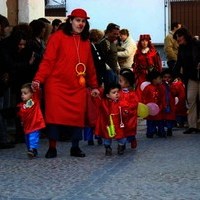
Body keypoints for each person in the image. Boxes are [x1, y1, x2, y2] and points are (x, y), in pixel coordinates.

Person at [32, 8, 99, 158]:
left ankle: (75, 147)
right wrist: (38, 79)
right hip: (56, 85)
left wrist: (94, 85)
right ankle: (52, 147)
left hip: (77, 86)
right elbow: (47, 61)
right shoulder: (56, 37)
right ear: (70, 21)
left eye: (83, 21)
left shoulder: (86, 42)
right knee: (53, 116)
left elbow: (90, 66)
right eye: (77, 20)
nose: (80, 24)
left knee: (77, 116)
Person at [173, 27, 200, 134]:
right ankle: (193, 126)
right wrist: (174, 74)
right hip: (191, 77)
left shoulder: (197, 43)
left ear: (185, 35)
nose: (178, 39)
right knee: (190, 99)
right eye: (176, 37)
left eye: (180, 36)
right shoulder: (181, 48)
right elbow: (179, 62)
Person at [95, 83, 127, 155]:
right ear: (107, 95)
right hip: (108, 123)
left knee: (121, 136)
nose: (116, 94)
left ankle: (121, 146)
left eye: (118, 92)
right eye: (114, 92)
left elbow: (126, 109)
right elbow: (98, 101)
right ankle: (107, 147)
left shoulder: (121, 101)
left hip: (119, 123)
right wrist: (97, 93)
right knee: (107, 137)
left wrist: (126, 112)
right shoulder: (104, 102)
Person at [16, 83, 45, 158]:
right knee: (27, 140)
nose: (22, 95)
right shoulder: (22, 105)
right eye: (22, 93)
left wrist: (35, 86)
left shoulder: (35, 99)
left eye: (25, 93)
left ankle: (32, 149)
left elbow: (38, 91)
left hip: (35, 123)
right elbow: (22, 114)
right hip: (27, 126)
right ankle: (32, 150)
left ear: (32, 94)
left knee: (33, 137)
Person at [133, 34, 162, 101]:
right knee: (140, 91)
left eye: (146, 40)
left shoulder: (153, 52)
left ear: (148, 42)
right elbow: (135, 65)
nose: (144, 42)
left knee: (152, 91)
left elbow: (158, 64)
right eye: (142, 41)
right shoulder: (137, 53)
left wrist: (159, 75)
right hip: (141, 76)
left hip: (152, 76)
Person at [118, 68, 139, 148]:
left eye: (121, 81)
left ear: (127, 83)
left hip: (130, 115)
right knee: (121, 129)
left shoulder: (132, 93)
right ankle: (122, 143)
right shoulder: (118, 92)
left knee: (130, 129)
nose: (119, 82)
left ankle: (132, 140)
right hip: (121, 114)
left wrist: (129, 110)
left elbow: (134, 103)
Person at [141, 70, 165, 138]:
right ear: (154, 79)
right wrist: (145, 106)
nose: (161, 80)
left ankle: (161, 132)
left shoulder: (161, 87)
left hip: (159, 107)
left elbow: (163, 97)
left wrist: (163, 105)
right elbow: (143, 97)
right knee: (150, 121)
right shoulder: (148, 88)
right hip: (150, 108)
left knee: (160, 121)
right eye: (159, 78)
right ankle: (150, 132)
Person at [161, 69, 177, 136]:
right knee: (163, 117)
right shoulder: (161, 86)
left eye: (169, 77)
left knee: (170, 118)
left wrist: (170, 88)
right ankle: (161, 130)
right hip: (163, 104)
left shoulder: (173, 85)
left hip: (170, 104)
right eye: (165, 77)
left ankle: (169, 129)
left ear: (172, 78)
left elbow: (175, 93)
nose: (167, 79)